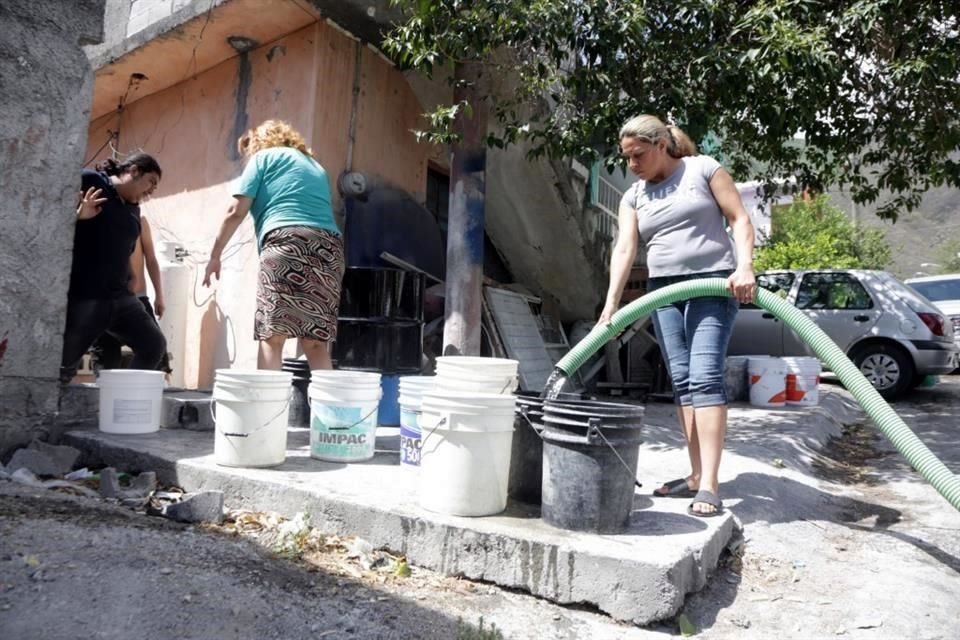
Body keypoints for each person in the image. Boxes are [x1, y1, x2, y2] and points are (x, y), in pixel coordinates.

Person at [599, 115, 756, 517]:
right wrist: (611, 305)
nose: (632, 164)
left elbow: (739, 219)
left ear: (662, 145)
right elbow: (625, 249)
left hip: (713, 286)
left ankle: (710, 485)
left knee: (704, 377)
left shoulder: (703, 169)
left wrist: (744, 268)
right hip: (664, 292)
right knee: (683, 383)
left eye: (638, 155)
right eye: (627, 158)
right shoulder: (634, 196)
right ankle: (694, 474)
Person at [202, 120, 344, 371]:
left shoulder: (264, 157)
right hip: (329, 248)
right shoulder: (316, 166)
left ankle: (267, 410)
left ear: (259, 141)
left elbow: (236, 210)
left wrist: (215, 255)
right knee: (315, 342)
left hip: (287, 242)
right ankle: (329, 410)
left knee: (273, 336)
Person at [61, 153, 167, 381]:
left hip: (122, 298)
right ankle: (47, 412)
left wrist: (129, 273)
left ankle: (123, 401)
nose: (152, 190)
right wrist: (78, 216)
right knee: (63, 365)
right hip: (87, 296)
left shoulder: (133, 208)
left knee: (154, 346)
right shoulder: (91, 181)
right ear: (135, 170)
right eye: (151, 182)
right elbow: (51, 219)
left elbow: (124, 246)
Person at [92, 215, 172, 374]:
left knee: (156, 352)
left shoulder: (139, 220)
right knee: (105, 359)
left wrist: (159, 295)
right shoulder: (99, 218)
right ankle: (106, 394)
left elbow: (151, 259)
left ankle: (144, 392)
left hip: (138, 299)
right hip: (106, 301)